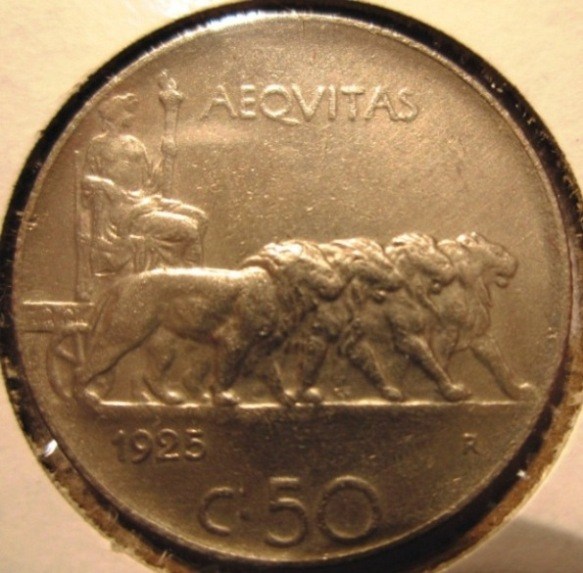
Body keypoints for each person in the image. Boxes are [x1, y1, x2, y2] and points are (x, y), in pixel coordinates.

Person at [82, 93, 207, 274]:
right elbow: (86, 180)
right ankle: (191, 279)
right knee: (189, 229)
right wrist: (106, 184)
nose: (130, 116)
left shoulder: (135, 144)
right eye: (125, 112)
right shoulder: (98, 145)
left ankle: (175, 269)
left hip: (146, 201)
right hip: (124, 211)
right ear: (114, 116)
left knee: (200, 218)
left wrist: (166, 158)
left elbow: (150, 181)